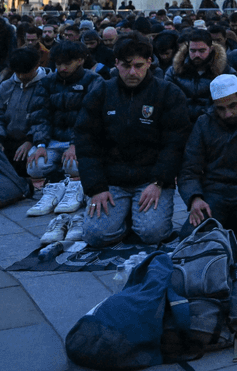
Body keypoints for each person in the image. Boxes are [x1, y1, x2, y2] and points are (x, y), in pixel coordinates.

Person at [74, 33, 190, 247]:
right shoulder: (101, 92)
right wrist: (96, 188)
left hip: (151, 179)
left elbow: (175, 143)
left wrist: (159, 182)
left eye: (138, 65)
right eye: (126, 66)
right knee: (95, 235)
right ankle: (123, 216)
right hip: (111, 181)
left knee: (152, 233)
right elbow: (86, 142)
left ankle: (133, 215)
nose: (132, 72)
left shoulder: (167, 93)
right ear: (116, 63)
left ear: (149, 62)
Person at [178, 74, 237, 242]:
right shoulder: (204, 123)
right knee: (191, 236)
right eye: (221, 109)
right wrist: (195, 198)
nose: (228, 114)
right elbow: (189, 168)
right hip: (215, 192)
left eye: (232, 106)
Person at [25, 41, 102, 216]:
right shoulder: (47, 82)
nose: (62, 68)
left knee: (74, 166)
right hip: (53, 140)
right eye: (59, 64)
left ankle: (73, 186)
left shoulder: (94, 81)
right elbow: (40, 116)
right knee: (34, 167)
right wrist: (40, 144)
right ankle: (58, 183)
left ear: (80, 60)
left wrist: (76, 144)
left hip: (81, 141)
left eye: (67, 63)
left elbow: (91, 118)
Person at [0, 47, 47, 178]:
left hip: (34, 140)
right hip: (7, 138)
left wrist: (31, 141)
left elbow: (45, 120)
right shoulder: (6, 86)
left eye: (25, 73)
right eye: (18, 73)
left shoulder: (47, 85)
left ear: (36, 66)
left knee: (30, 167)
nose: (21, 77)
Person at [165, 29, 228, 123]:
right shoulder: (174, 71)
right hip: (180, 120)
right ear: (188, 49)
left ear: (210, 49)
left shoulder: (224, 72)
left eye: (202, 51)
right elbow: (167, 98)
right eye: (193, 51)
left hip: (212, 121)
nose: (197, 55)